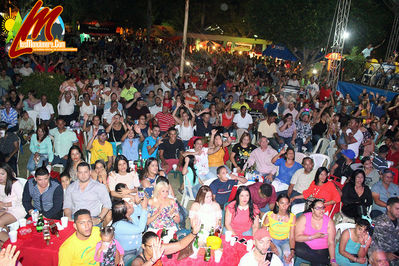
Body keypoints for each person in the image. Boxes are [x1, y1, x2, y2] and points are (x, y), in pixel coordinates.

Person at [131, 218, 201, 266]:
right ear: (143, 246)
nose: (156, 248)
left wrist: (194, 233)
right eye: (152, 246)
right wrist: (153, 260)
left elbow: (180, 245)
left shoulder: (159, 248)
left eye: (158, 244)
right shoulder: (138, 261)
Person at [294, 199, 338, 266]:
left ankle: (322, 260)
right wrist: (314, 236)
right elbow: (296, 237)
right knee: (297, 249)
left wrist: (333, 260)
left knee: (318, 260)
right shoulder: (304, 218)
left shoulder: (329, 222)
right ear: (312, 209)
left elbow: (331, 242)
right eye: (318, 208)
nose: (321, 210)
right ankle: (326, 261)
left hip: (322, 249)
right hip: (306, 246)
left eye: (322, 208)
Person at [262, 194, 296, 265]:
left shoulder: (292, 217)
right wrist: (271, 245)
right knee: (278, 255)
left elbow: (292, 236)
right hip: (272, 240)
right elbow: (263, 232)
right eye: (282, 203)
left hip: (285, 241)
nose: (284, 206)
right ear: (277, 203)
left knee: (287, 258)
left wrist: (292, 250)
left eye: (287, 203)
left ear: (289, 204)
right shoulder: (270, 216)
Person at [112, 197, 148, 265]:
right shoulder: (118, 225)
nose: (131, 205)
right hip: (126, 253)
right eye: (129, 207)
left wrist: (138, 203)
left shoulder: (130, 215)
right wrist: (144, 207)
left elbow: (141, 211)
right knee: (135, 263)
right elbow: (140, 229)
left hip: (138, 247)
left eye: (129, 204)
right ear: (124, 213)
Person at [0, 162, 25, 242]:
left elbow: (22, 200)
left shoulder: (15, 183)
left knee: (0, 222)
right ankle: (8, 237)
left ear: (8, 173)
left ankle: (13, 244)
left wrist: (6, 204)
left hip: (17, 208)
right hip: (5, 208)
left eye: (2, 174)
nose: (0, 177)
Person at [371, 197, 399, 265]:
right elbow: (370, 242)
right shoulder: (378, 222)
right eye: (397, 209)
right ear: (388, 208)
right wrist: (384, 255)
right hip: (384, 258)